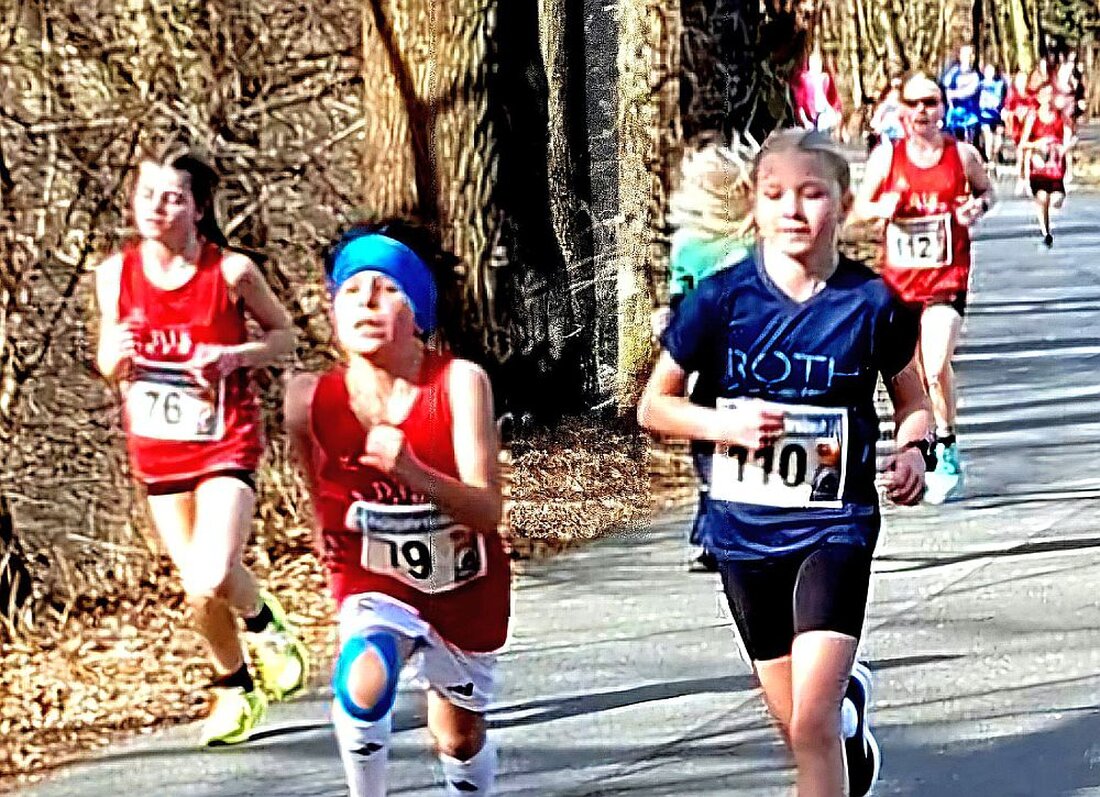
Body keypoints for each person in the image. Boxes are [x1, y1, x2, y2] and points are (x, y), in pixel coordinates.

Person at [639, 127, 933, 797]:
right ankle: (846, 739)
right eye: (775, 195)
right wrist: (725, 423)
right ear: (754, 205)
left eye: (811, 194)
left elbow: (913, 400)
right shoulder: (719, 302)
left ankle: (833, 720)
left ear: (844, 201)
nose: (792, 210)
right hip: (742, 530)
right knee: (796, 723)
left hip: (836, 524)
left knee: (810, 724)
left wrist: (913, 447)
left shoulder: (872, 302)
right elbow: (655, 407)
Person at [284, 218, 510, 796]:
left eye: (386, 288)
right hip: (377, 582)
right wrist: (337, 557)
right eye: (352, 289)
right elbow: (321, 498)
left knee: (457, 738)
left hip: (464, 586)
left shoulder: (460, 383)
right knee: (363, 679)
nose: (366, 301)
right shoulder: (308, 399)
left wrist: (413, 471)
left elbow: (486, 511)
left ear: (420, 312)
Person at [94, 147, 309, 745]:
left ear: (196, 207)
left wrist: (232, 356)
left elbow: (284, 335)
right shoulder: (115, 276)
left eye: (173, 197)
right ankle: (236, 687)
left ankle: (265, 623)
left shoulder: (231, 271)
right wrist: (119, 356)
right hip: (158, 450)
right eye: (147, 196)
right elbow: (107, 362)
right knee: (196, 587)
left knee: (214, 570)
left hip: (224, 442)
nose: (158, 207)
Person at [853, 73, 995, 505]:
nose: (921, 111)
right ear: (901, 111)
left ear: (943, 107)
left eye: (930, 102)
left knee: (935, 364)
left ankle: (947, 444)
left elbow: (987, 192)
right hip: (898, 287)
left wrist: (977, 207)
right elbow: (857, 212)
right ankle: (921, 445)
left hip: (945, 283)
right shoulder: (886, 158)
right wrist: (882, 207)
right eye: (913, 103)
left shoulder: (962, 155)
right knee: (910, 375)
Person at [656, 141, 755, 572]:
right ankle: (713, 530)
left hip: (748, 360)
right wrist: (670, 325)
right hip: (714, 361)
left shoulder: (758, 243)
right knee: (710, 445)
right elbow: (679, 298)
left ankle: (722, 529)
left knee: (723, 446)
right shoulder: (690, 247)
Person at [1019, 83, 1076, 248]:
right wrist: (1038, 144)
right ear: (1038, 98)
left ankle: (1047, 221)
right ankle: (1046, 232)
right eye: (1044, 95)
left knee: (1057, 199)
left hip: (1056, 167)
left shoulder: (1060, 116)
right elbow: (1023, 143)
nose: (1048, 99)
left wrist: (1065, 147)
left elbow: (1070, 137)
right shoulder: (1033, 117)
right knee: (1042, 197)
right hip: (1038, 167)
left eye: (1051, 94)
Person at [792, 51, 844, 137]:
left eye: (818, 62)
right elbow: (799, 104)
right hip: (811, 115)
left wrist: (838, 111)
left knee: (824, 127)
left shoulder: (825, 78)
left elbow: (833, 96)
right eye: (813, 62)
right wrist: (805, 120)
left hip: (825, 112)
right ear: (810, 63)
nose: (816, 65)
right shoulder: (804, 79)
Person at [942, 45, 982, 144]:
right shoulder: (953, 72)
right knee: (954, 142)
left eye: (969, 55)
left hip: (970, 115)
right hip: (954, 114)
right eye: (964, 54)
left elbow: (971, 91)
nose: (966, 57)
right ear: (960, 56)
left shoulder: (975, 75)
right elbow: (945, 85)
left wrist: (954, 94)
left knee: (968, 144)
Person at [978, 63, 1007, 165]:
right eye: (987, 71)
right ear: (984, 72)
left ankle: (994, 155)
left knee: (998, 141)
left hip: (997, 115)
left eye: (991, 71)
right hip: (984, 116)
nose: (989, 73)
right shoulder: (979, 85)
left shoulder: (999, 84)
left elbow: (1001, 100)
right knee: (988, 136)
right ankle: (989, 159)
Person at [868, 77, 905, 151]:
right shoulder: (884, 105)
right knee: (887, 148)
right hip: (885, 131)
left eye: (898, 87)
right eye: (894, 87)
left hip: (899, 132)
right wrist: (876, 126)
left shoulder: (904, 105)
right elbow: (878, 117)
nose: (896, 91)